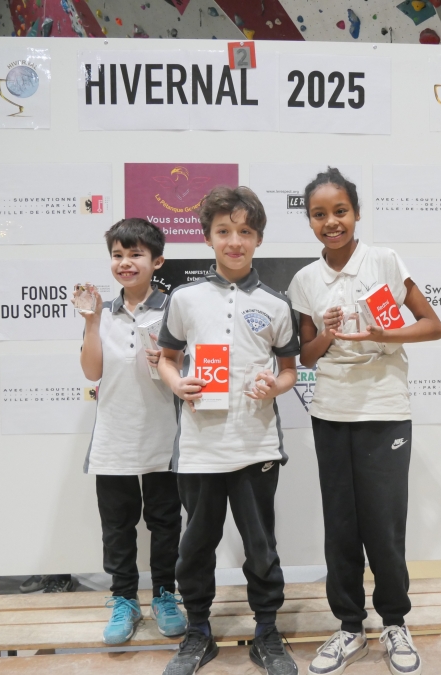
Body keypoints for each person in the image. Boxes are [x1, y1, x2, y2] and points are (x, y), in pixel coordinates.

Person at [287, 168, 441, 675]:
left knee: (384, 522)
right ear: (310, 221)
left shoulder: (385, 261)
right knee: (341, 524)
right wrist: (328, 334)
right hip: (331, 411)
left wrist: (384, 334)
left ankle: (395, 622)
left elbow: (433, 325)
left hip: (385, 408)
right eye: (320, 214)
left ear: (356, 213)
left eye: (340, 211)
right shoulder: (305, 280)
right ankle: (349, 627)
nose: (331, 222)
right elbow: (306, 356)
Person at [157, 186, 299, 675]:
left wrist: (274, 386)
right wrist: (178, 383)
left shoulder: (276, 304)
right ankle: (198, 632)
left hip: (256, 447)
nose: (234, 241)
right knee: (195, 546)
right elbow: (168, 359)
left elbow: (289, 371)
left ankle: (267, 632)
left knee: (261, 546)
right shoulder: (184, 298)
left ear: (258, 238)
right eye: (223, 231)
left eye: (245, 231)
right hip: (199, 449)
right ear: (207, 237)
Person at [76, 218, 186, 644]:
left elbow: (190, 368)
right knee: (117, 527)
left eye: (136, 254)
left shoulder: (175, 308)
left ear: (157, 261)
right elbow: (92, 372)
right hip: (113, 437)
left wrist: (169, 361)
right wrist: (91, 322)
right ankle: (124, 599)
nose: (125, 262)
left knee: (165, 522)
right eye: (118, 255)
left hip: (164, 437)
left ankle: (164, 595)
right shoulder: (101, 312)